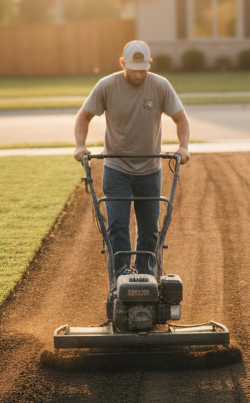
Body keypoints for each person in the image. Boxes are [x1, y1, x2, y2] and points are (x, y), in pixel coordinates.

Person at [73, 40, 190, 276]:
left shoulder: (160, 86)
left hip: (150, 170)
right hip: (117, 169)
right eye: (133, 69)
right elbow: (83, 117)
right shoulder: (107, 86)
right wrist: (80, 146)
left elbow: (181, 119)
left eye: (143, 69)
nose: (138, 75)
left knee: (149, 229)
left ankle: (146, 274)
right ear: (122, 63)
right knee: (117, 227)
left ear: (150, 63)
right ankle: (122, 275)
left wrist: (183, 147)